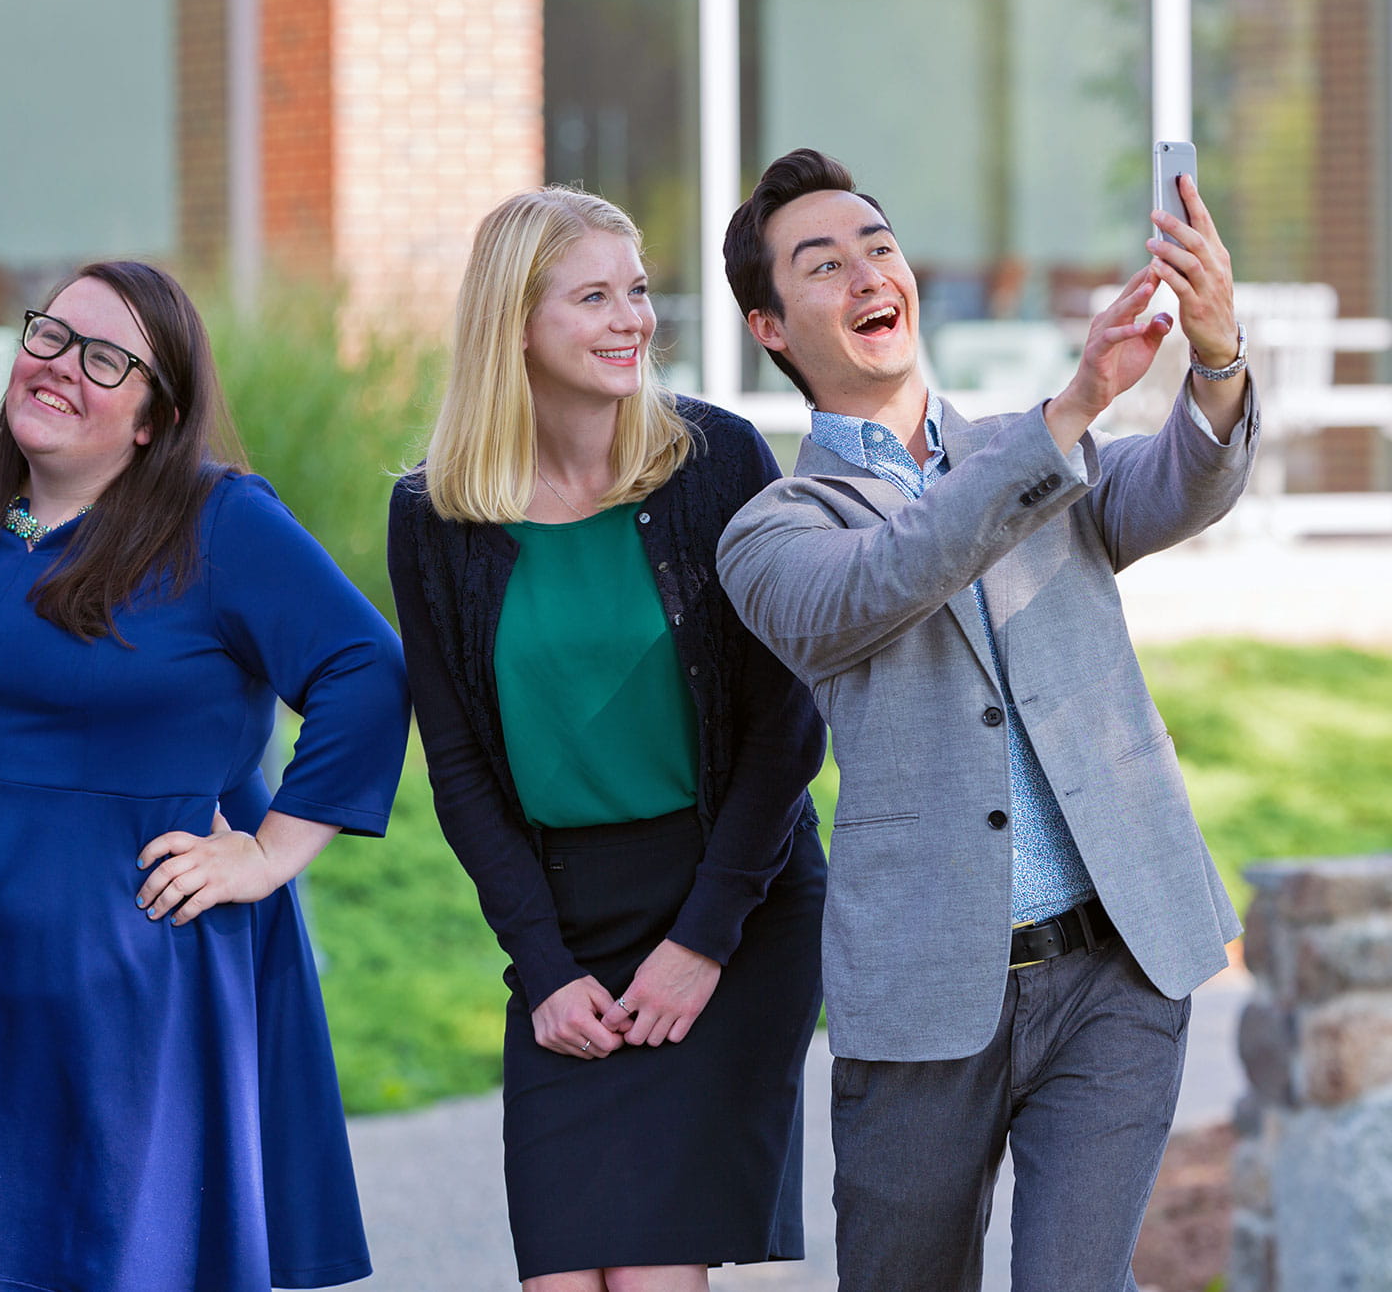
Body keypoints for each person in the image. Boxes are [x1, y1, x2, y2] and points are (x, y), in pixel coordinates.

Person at [715, 148, 1256, 1292]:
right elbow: (879, 583)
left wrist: (1214, 354)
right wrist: (1065, 413)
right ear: (769, 325)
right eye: (822, 264)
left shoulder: (1038, 450)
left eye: (877, 246)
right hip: (921, 1002)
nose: (868, 272)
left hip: (1114, 967)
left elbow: (1182, 483)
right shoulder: (773, 528)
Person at [0, 259, 410, 1292]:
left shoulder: (218, 523)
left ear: (154, 418)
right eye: (50, 337)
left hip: (120, 977)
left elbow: (363, 668)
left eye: (107, 359)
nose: (62, 367)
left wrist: (267, 853)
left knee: (110, 1257)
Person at [387, 187, 828, 1291]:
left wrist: (703, 939)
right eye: (592, 297)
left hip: (730, 898)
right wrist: (538, 964)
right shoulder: (436, 513)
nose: (631, 318)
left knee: (646, 1279)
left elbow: (787, 725)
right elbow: (456, 765)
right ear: (514, 326)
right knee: (558, 1276)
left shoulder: (716, 464)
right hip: (565, 923)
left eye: (634, 292)